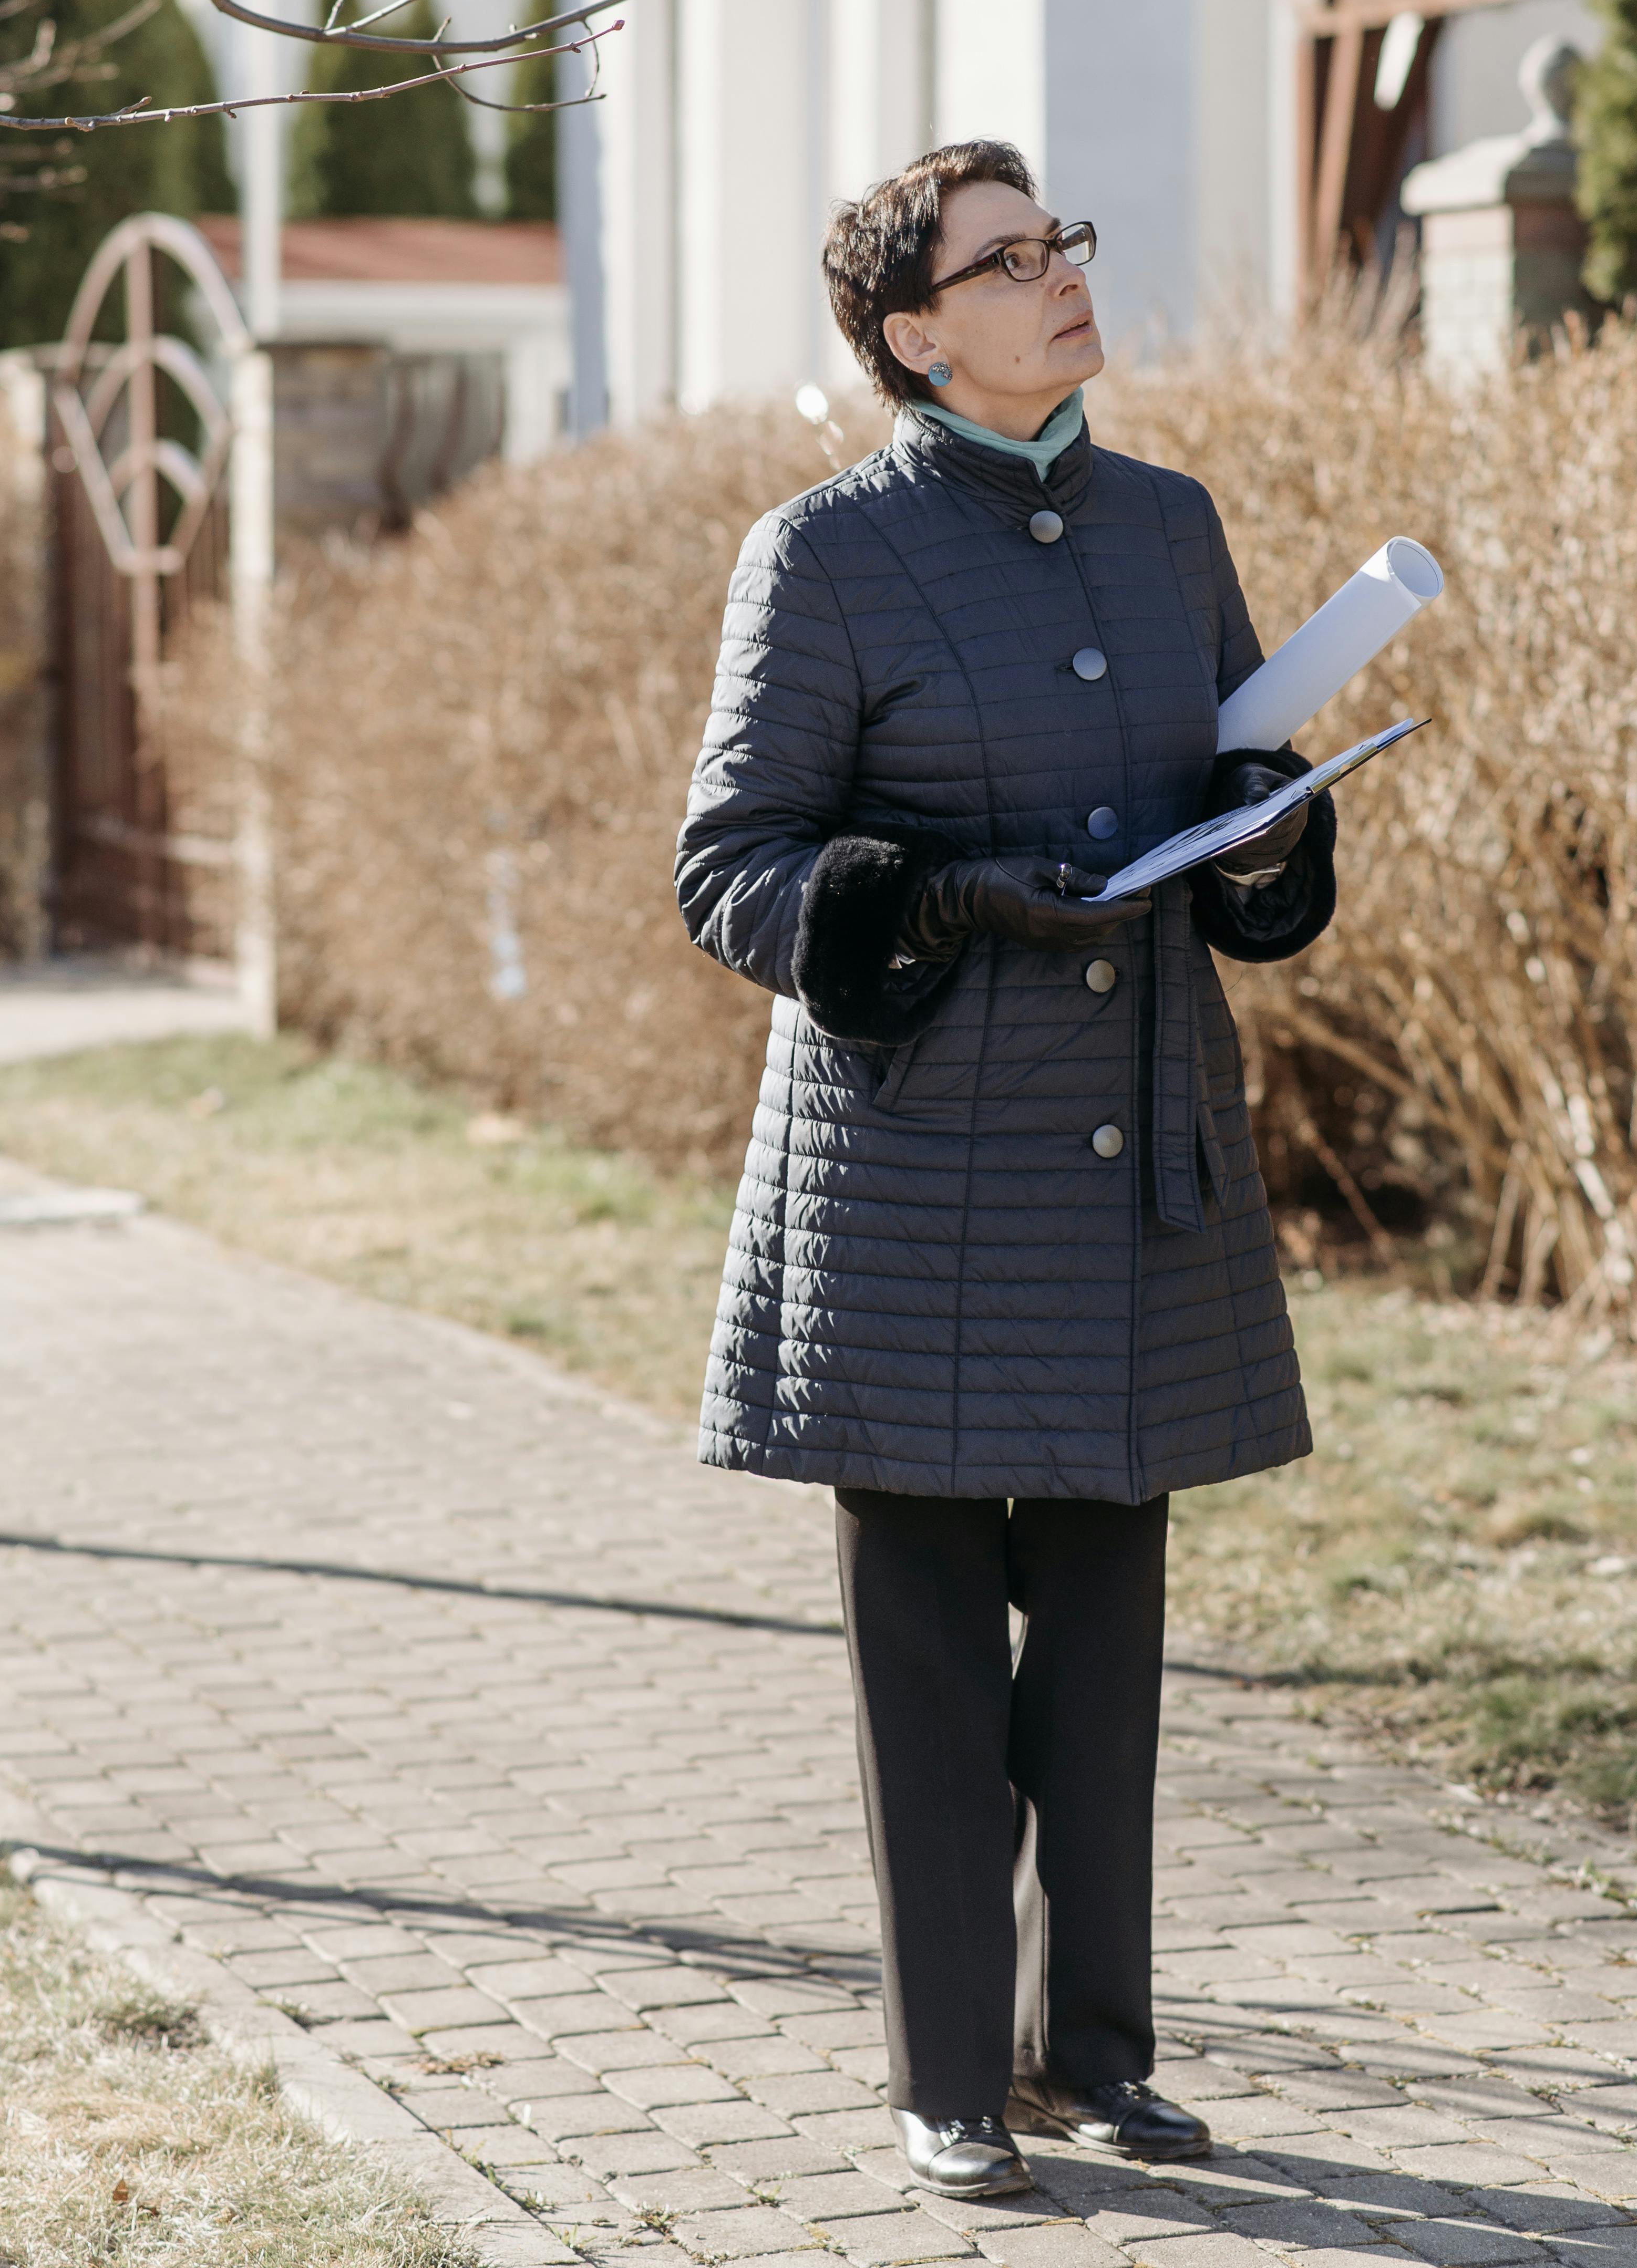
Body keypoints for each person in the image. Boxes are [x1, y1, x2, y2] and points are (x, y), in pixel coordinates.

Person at [674, 142, 1333, 2200]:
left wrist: (1269, 832)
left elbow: (1241, 812)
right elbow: (732, 869)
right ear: (912, 331)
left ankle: (1098, 2055)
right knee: (937, 1655)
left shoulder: (1164, 525)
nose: (1060, 275)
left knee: (1115, 1647)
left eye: (1063, 243)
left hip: (1139, 1160)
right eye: (1011, 256)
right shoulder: (826, 553)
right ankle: (958, 2073)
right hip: (917, 1191)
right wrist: (946, 894)